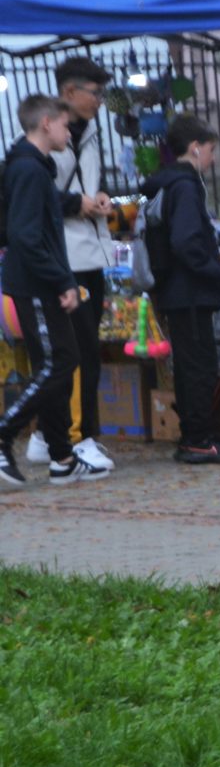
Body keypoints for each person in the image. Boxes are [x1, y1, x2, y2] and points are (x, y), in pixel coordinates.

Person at [143, 114, 220, 464]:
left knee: (191, 365)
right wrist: (214, 265)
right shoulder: (186, 186)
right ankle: (198, 440)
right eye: (211, 149)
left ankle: (195, 437)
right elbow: (186, 241)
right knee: (199, 367)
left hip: (178, 290)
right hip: (188, 291)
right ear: (195, 148)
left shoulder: (170, 184)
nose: (214, 158)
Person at [1, 94, 90, 486]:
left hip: (40, 282)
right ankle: (4, 432)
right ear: (46, 124)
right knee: (58, 363)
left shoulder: (33, 168)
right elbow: (25, 236)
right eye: (65, 125)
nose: (69, 132)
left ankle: (62, 457)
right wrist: (61, 280)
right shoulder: (29, 170)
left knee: (57, 363)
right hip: (35, 284)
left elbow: (39, 215)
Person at [33, 56, 116, 475]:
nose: (100, 101)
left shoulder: (91, 132)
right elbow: (38, 191)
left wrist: (97, 197)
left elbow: (86, 181)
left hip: (90, 250)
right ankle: (77, 437)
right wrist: (77, 204)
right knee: (76, 351)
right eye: (95, 93)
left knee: (84, 349)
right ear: (69, 93)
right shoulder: (50, 134)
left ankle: (49, 433)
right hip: (67, 255)